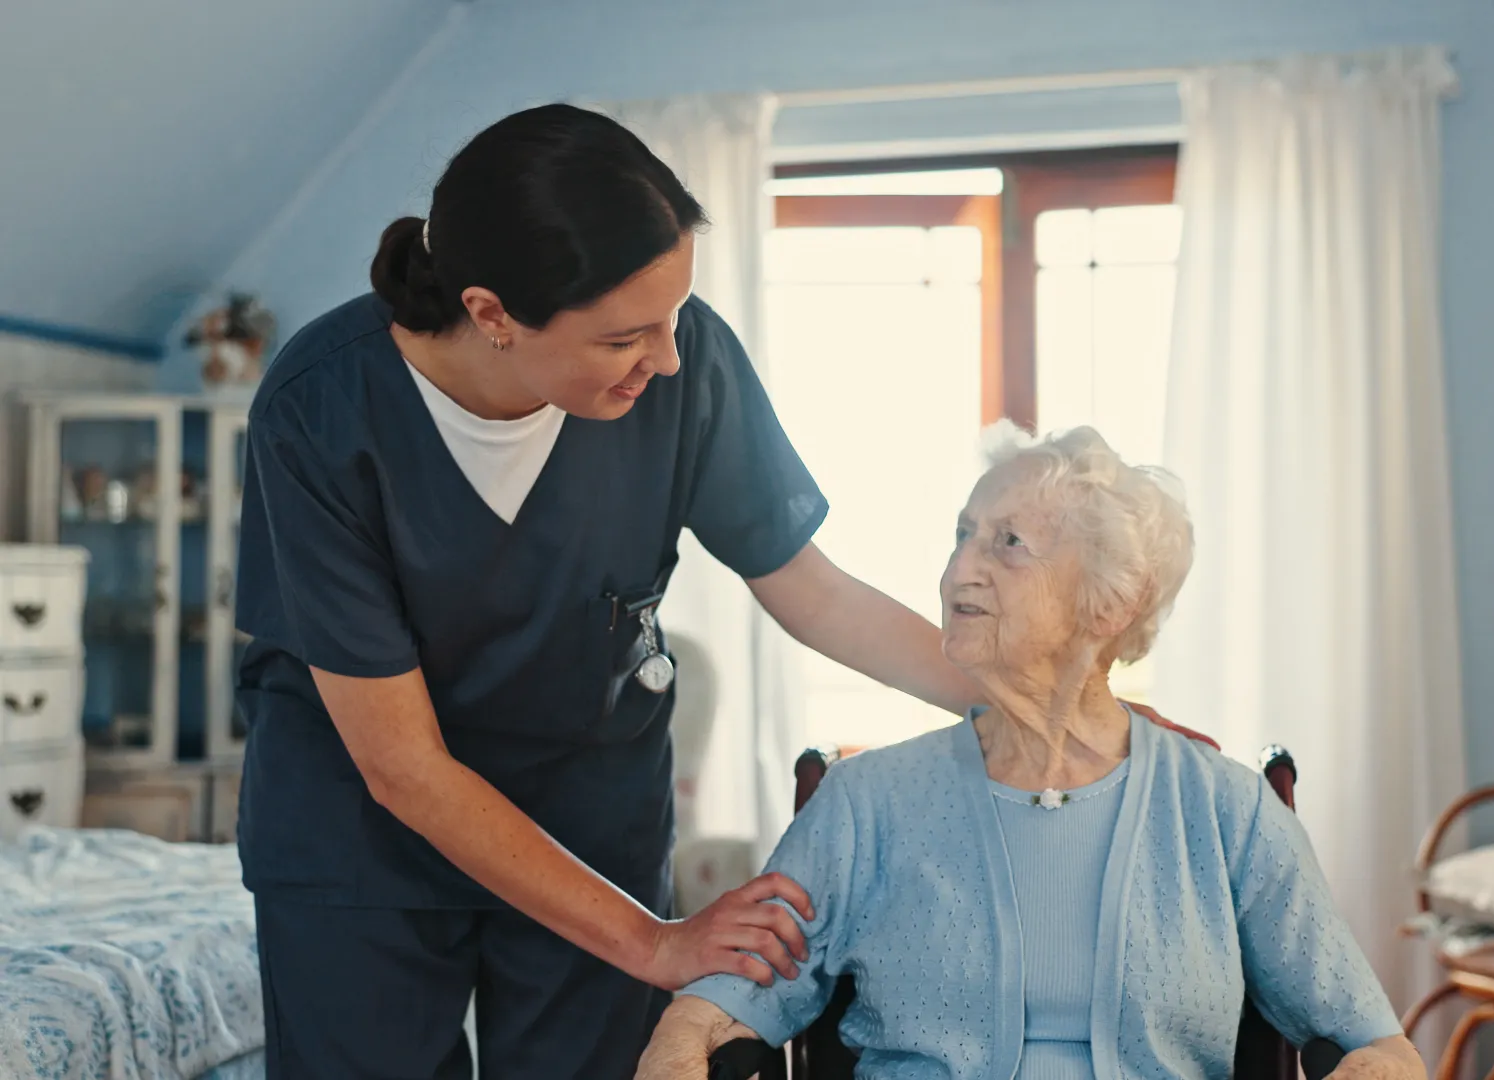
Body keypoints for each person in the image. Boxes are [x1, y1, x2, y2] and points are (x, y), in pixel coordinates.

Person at [234, 103, 997, 1079]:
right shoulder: (321, 411)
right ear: (491, 314)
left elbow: (813, 590)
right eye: (627, 337)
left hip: (587, 820)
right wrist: (656, 942)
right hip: (362, 841)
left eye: (675, 316)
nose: (670, 358)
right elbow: (404, 769)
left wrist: (1035, 701)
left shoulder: (685, 366)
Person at [637, 425, 1427, 1080]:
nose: (958, 570)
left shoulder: (1226, 812)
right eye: (961, 537)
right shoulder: (866, 802)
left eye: (1008, 543)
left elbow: (1374, 1043)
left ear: (1113, 601)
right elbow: (717, 1008)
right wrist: (680, 1036)